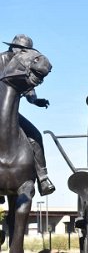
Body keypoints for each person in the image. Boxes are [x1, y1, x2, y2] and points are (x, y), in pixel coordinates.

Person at [0, 34, 55, 196]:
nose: (23, 52)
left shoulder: (23, 65)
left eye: (26, 50)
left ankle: (43, 177)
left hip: (9, 112)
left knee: (35, 135)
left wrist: (36, 101)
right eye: (22, 49)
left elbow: (30, 90)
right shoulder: (2, 59)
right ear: (13, 47)